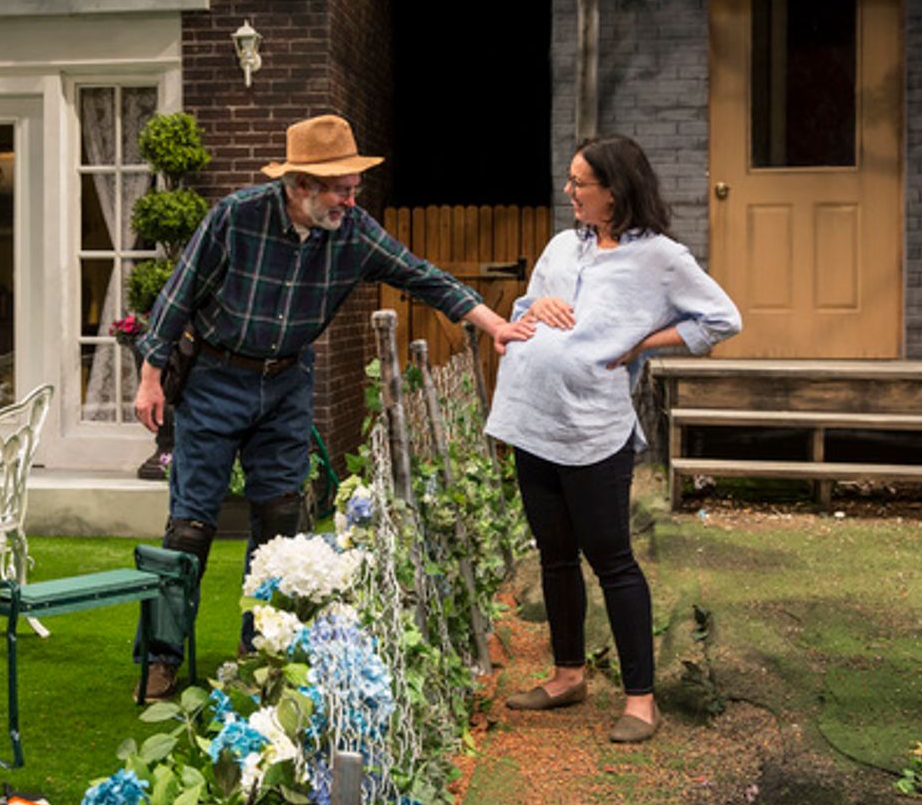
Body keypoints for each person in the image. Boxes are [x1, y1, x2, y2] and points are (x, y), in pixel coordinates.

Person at [134, 113, 534, 699]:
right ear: (300, 186)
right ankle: (162, 658)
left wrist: (493, 321)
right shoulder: (236, 218)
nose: (352, 197)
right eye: (341, 188)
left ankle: (262, 649)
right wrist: (149, 376)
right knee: (191, 525)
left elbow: (422, 276)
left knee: (282, 519)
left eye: (354, 186)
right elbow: (178, 295)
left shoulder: (354, 232)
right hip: (216, 377)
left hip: (287, 381)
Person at [484, 134, 741, 742]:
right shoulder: (558, 246)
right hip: (531, 418)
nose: (569, 192)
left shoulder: (661, 259)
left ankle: (641, 700)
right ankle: (568, 674)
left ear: (615, 190)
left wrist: (640, 345)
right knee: (553, 554)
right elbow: (524, 310)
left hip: (593, 430)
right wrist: (531, 313)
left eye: (581, 183)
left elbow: (722, 318)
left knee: (612, 560)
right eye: (569, 181)